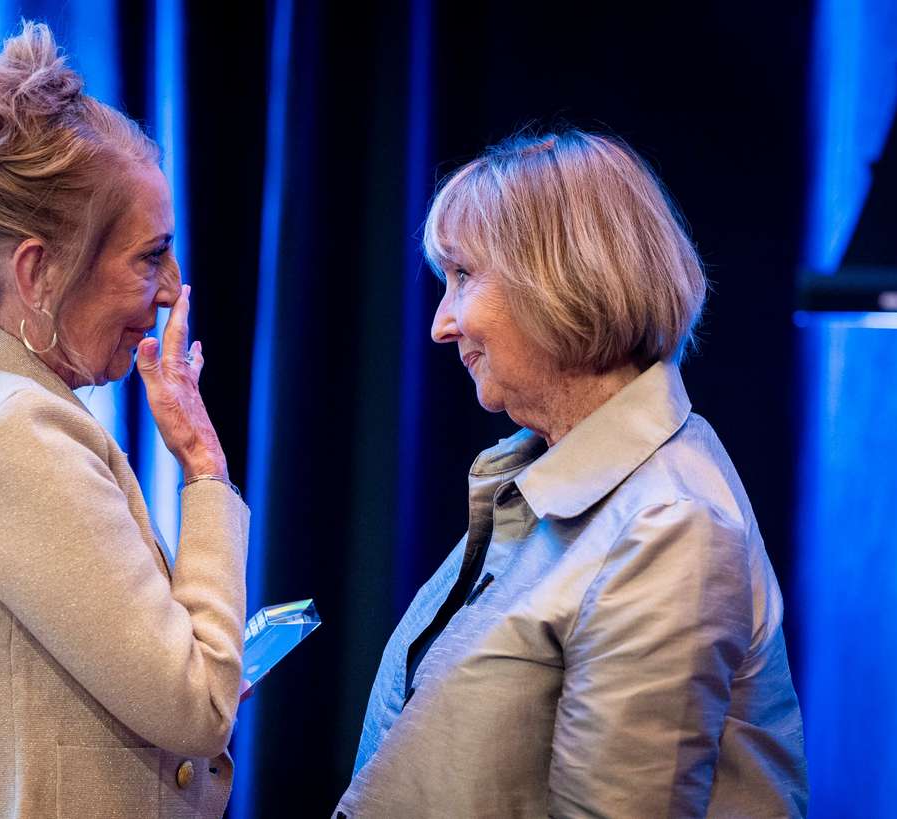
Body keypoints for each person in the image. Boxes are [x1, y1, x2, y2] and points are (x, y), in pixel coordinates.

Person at [336, 131, 808, 817]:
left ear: (558, 281)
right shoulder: (555, 473)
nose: (442, 323)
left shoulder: (669, 525)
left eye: (464, 277)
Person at [0, 22, 247, 818]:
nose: (174, 288)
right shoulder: (14, 432)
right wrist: (205, 472)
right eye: (151, 256)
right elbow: (198, 703)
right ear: (39, 271)